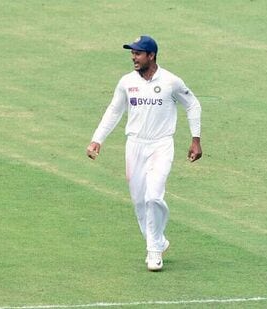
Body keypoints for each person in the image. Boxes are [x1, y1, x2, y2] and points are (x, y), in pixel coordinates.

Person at [86, 35, 202, 271]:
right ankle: (157, 240)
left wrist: (195, 139)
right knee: (139, 201)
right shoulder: (126, 82)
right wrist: (97, 139)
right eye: (132, 53)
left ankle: (154, 252)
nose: (133, 57)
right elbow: (114, 111)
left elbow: (193, 104)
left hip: (161, 144)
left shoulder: (170, 81)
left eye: (138, 53)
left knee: (154, 197)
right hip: (135, 145)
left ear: (151, 55)